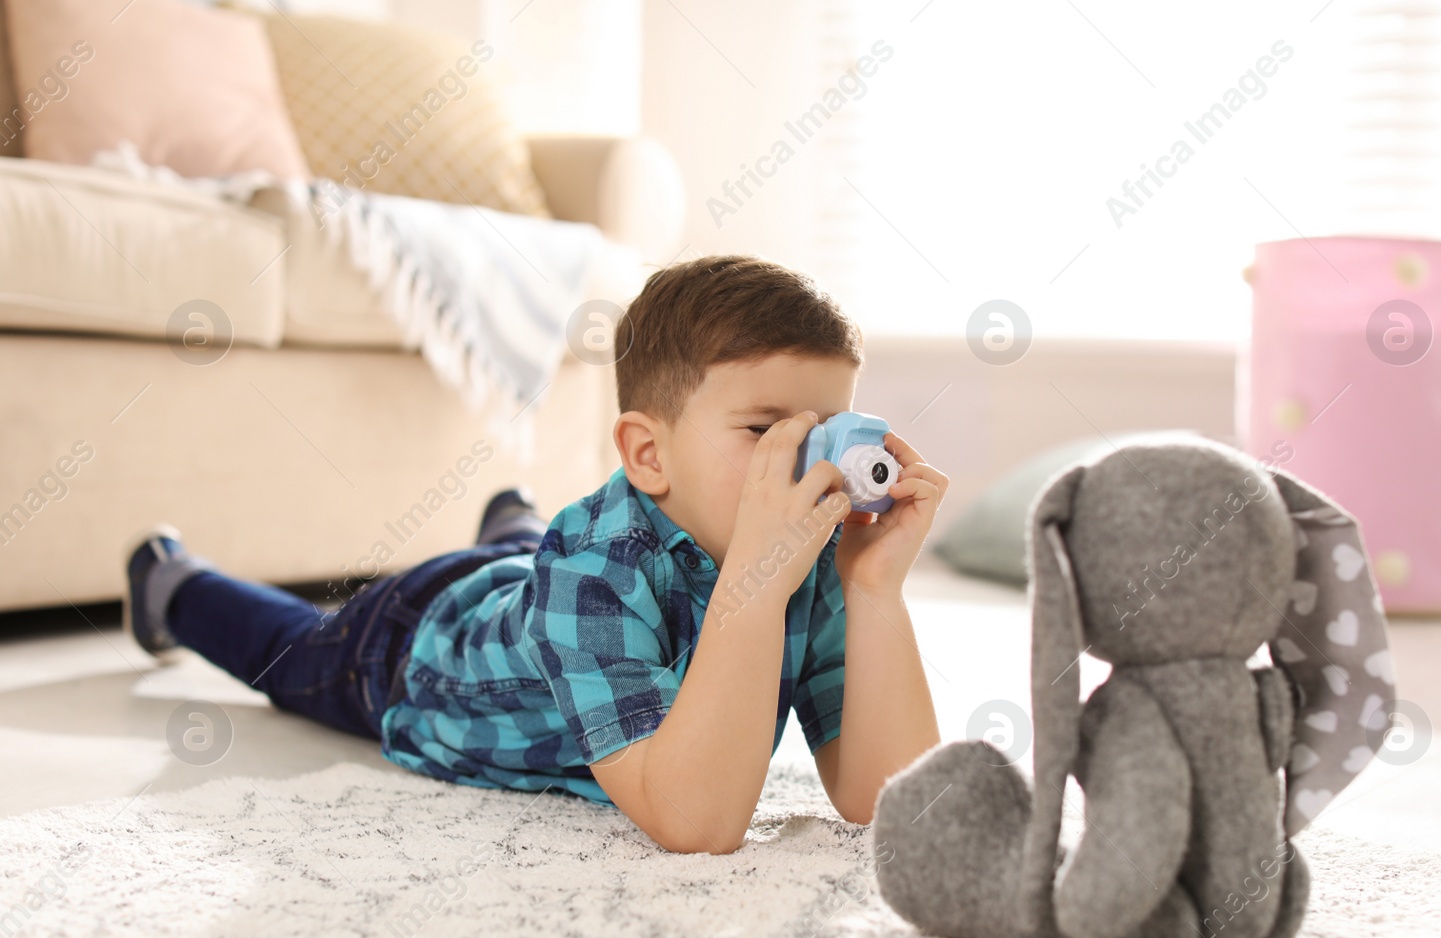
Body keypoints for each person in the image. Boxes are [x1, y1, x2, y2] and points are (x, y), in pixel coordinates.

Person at [124, 255, 946, 853]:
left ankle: (510, 525)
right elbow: (694, 822)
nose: (806, 466)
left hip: (532, 591)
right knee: (293, 651)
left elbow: (892, 798)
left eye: (826, 431)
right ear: (649, 456)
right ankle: (173, 582)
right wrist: (756, 586)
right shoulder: (591, 572)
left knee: (528, 556)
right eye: (768, 431)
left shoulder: (815, 560)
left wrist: (873, 590)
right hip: (416, 642)